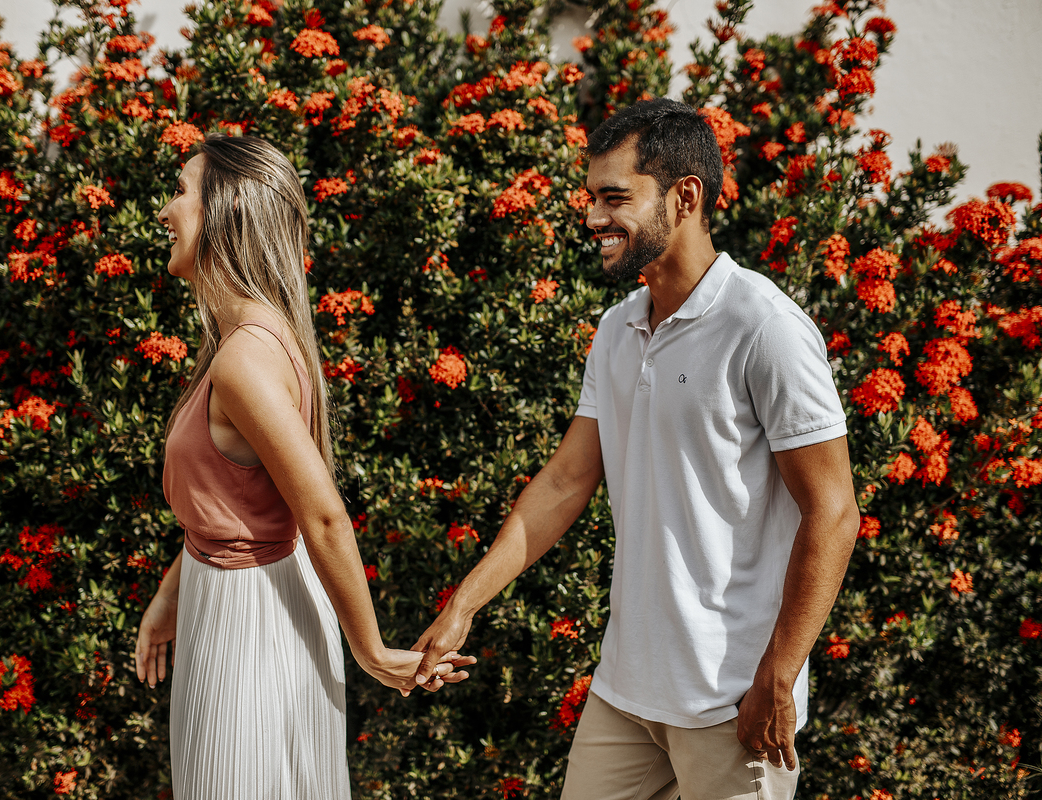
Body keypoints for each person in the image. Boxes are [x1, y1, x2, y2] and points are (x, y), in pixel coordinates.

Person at [412, 98, 859, 799]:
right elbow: (565, 481)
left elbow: (832, 511)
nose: (593, 218)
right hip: (625, 692)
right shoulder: (618, 328)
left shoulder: (765, 327)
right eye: (591, 197)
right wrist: (465, 604)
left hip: (731, 701)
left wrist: (779, 673)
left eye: (615, 197)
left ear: (685, 197)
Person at [133, 134, 474, 799]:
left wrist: (372, 651)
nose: (166, 211)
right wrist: (169, 597)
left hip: (251, 622)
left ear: (225, 213)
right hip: (230, 606)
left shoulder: (244, 358)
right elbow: (237, 507)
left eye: (181, 190)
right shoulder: (249, 340)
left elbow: (322, 515)